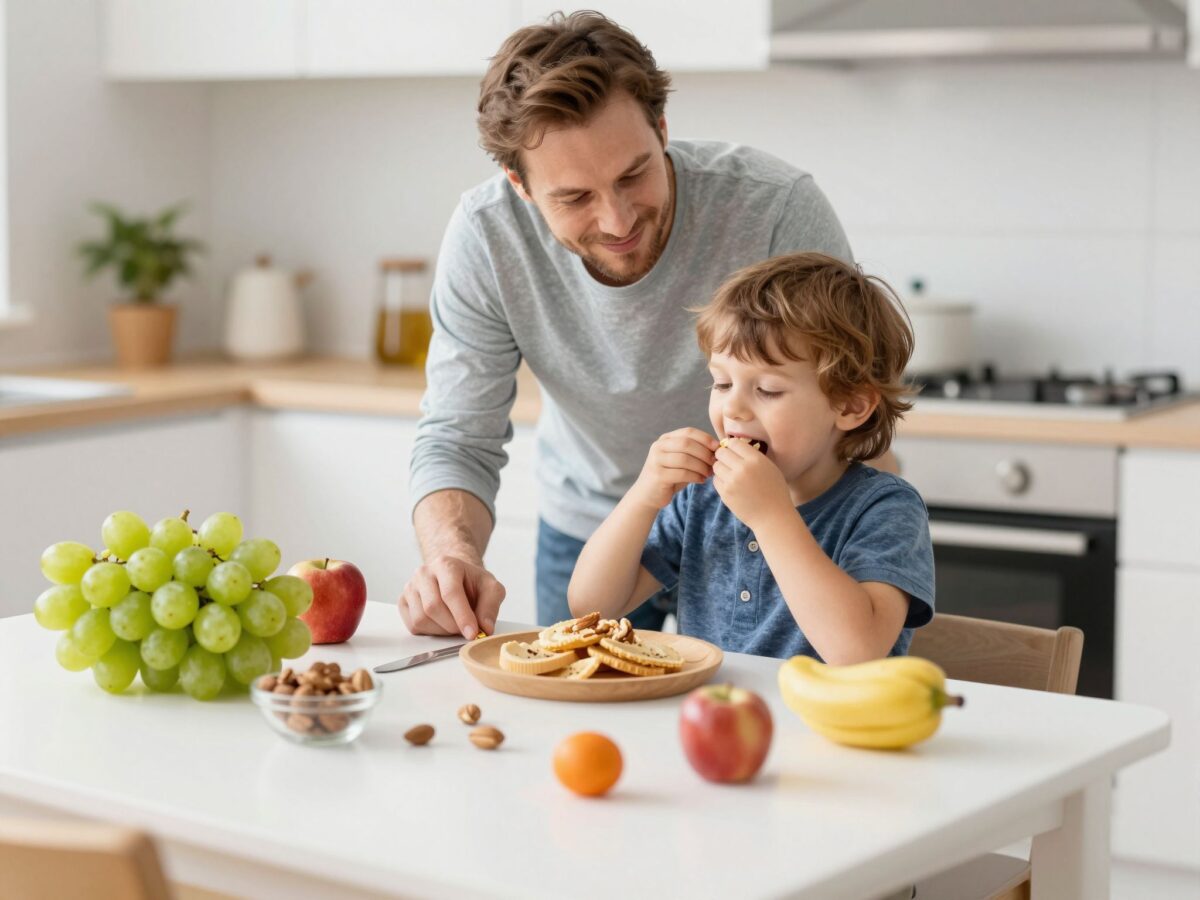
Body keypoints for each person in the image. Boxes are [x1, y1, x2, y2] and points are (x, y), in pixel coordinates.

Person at [401, 11, 853, 640]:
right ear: (520, 186)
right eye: (574, 197)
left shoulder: (775, 209)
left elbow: (847, 397)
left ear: (662, 128)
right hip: (594, 529)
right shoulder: (487, 236)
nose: (616, 221)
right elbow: (457, 435)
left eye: (633, 174)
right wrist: (451, 556)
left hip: (776, 526)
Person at [568, 252, 934, 663]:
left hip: (828, 725)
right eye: (722, 383)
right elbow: (590, 605)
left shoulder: (885, 509)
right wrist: (643, 496)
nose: (734, 410)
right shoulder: (701, 499)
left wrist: (771, 516)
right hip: (710, 717)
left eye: (768, 390)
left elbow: (856, 653)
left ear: (849, 406)